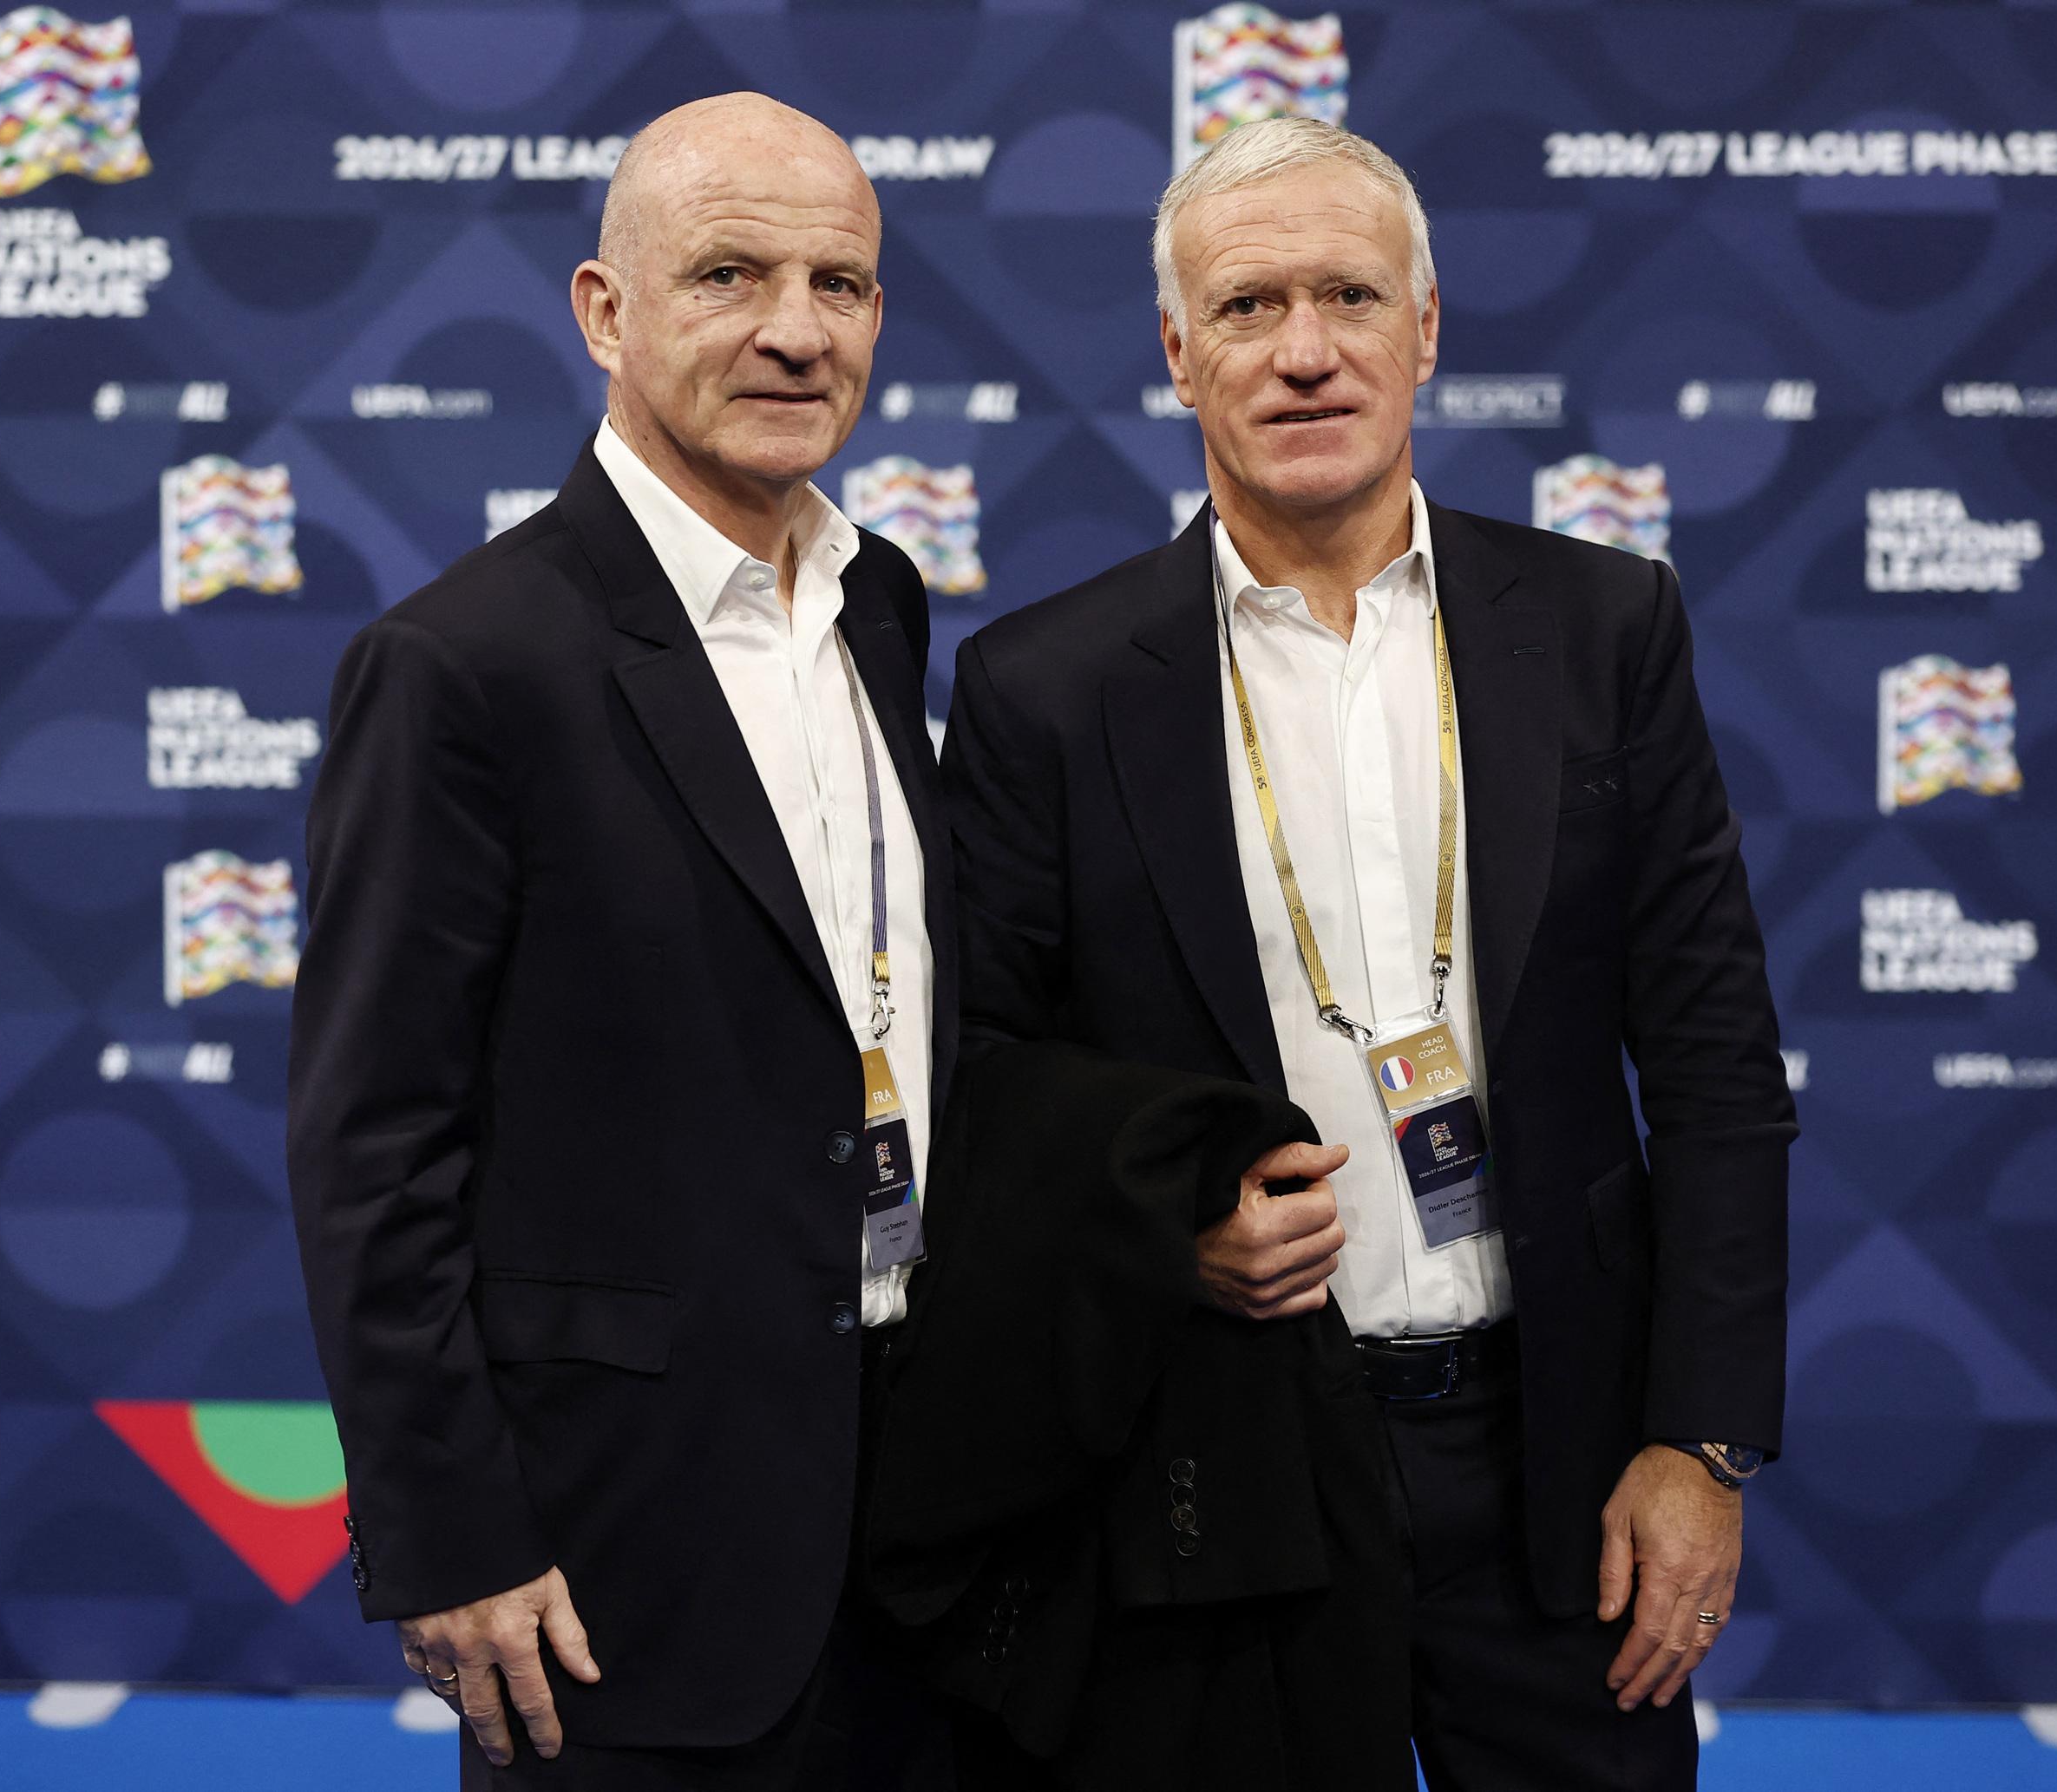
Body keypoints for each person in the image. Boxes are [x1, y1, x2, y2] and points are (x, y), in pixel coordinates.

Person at [939, 116, 1794, 1791]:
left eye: (1349, 295)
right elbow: (984, 1081)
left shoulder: (1605, 627)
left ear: (1428, 325)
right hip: (1221, 1466)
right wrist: (1162, 1236)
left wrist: (1703, 1444)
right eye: (1249, 307)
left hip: (1561, 1472)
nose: (1307, 351)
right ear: (1177, 351)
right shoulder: (1044, 689)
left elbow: (1715, 1066)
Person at [287, 93, 954, 1790]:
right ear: (605, 309)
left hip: (918, 1535)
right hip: (617, 1560)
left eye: (839, 283)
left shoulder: (879, 604)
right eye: (730, 274)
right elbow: (374, 1144)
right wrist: (448, 1530)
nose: (796, 330)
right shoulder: (461, 665)